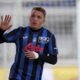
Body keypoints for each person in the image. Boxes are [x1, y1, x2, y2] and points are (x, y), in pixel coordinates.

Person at [0, 7, 58, 80]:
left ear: (43, 20)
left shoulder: (49, 36)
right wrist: (1, 30)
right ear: (30, 18)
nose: (35, 19)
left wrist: (38, 56)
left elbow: (54, 60)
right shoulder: (20, 31)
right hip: (16, 76)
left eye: (39, 17)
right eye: (33, 16)